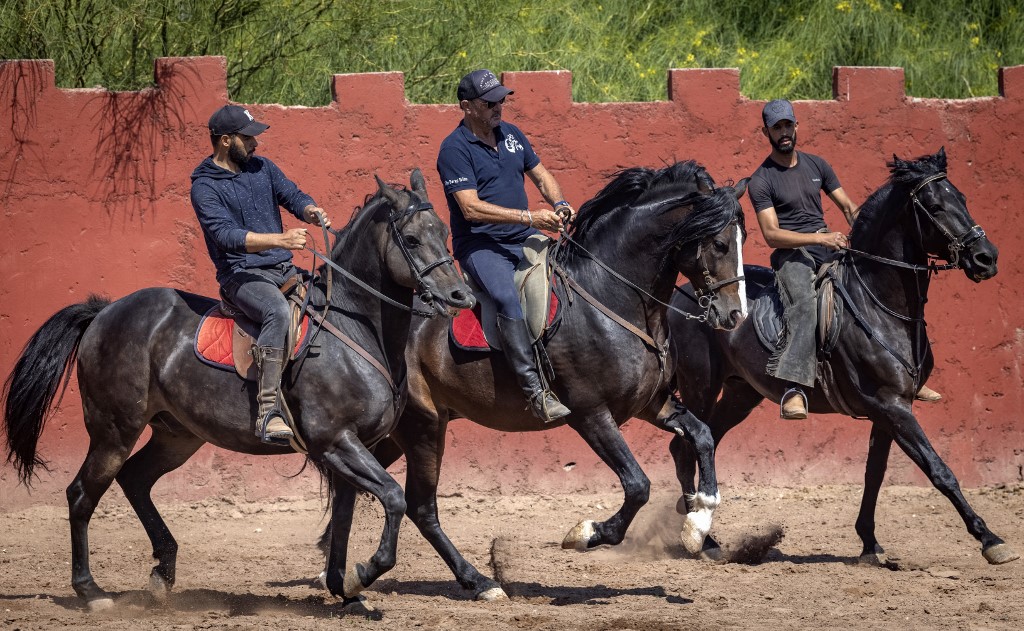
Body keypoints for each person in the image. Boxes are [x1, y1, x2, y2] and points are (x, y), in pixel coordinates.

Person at [748, 99, 941, 420]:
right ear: (766, 132)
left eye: (788, 125)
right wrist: (820, 237)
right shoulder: (762, 180)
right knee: (806, 306)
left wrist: (867, 234)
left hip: (828, 247)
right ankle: (794, 388)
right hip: (791, 257)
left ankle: (908, 375)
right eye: (776, 127)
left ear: (797, 126)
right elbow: (771, 234)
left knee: (873, 291)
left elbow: (850, 209)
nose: (784, 132)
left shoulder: (817, 166)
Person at [436, 69, 575, 422]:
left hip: (523, 237)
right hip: (481, 245)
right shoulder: (453, 149)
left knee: (573, 275)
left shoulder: (512, 135)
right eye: (490, 102)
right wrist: (531, 218)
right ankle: (534, 392)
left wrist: (558, 203)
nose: (500, 106)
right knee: (505, 297)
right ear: (467, 106)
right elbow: (470, 208)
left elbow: (541, 175)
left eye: (502, 99)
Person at [190, 105, 331, 444]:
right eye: (248, 138)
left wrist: (309, 209)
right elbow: (226, 237)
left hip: (281, 268)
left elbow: (292, 195)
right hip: (241, 276)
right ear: (226, 141)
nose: (255, 144)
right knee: (276, 312)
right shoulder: (204, 187)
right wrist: (281, 239)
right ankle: (268, 412)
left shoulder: (262, 168)